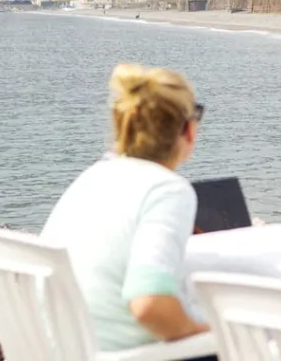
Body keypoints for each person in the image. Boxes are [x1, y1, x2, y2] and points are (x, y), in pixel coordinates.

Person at [41, 64, 213, 357]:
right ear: (188, 130)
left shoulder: (93, 176)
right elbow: (149, 304)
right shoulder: (168, 190)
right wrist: (211, 334)